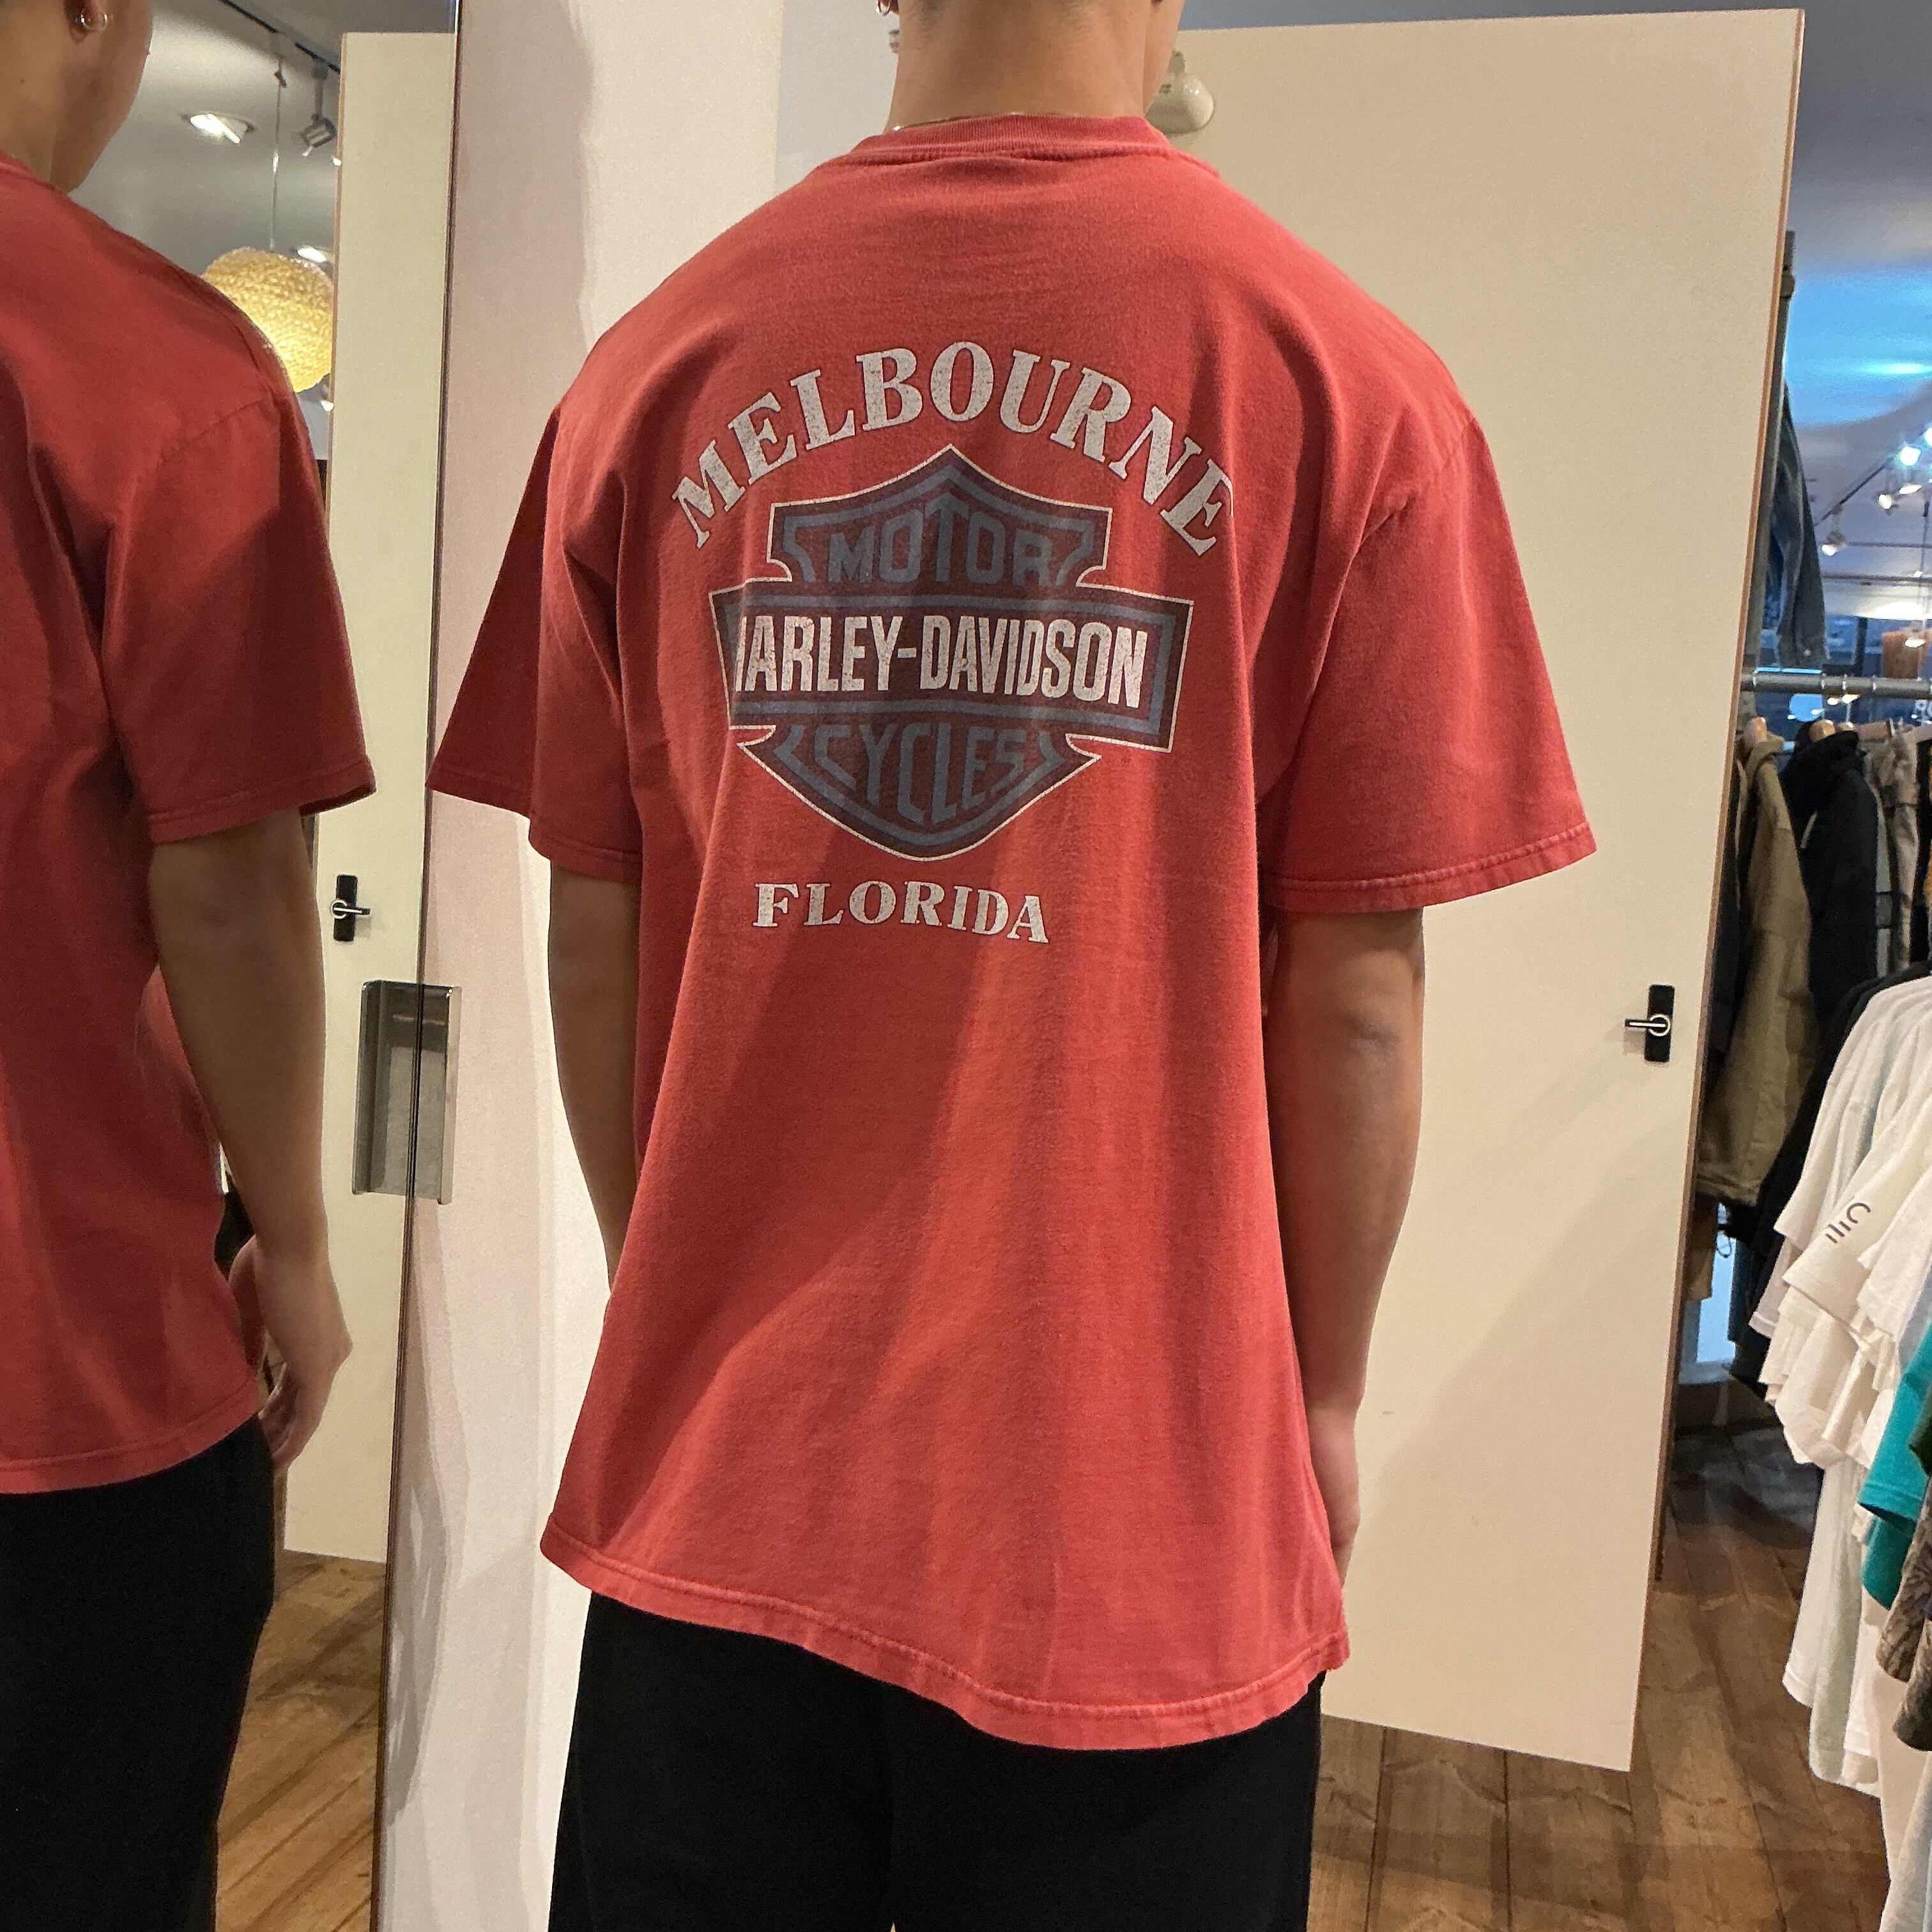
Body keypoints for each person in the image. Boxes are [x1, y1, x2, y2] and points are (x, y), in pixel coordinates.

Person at [430, 0, 1594, 1924]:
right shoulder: (1347, 378)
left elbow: (596, 922)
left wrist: (679, 1290)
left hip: (726, 1483)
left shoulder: (654, 364)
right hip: (1137, 1517)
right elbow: (1356, 998)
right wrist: (1316, 1404)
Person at [0, 1, 375, 1924]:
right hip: (59, 1367)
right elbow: (228, 881)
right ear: (96, 12)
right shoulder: (157, 371)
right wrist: (292, 1240)